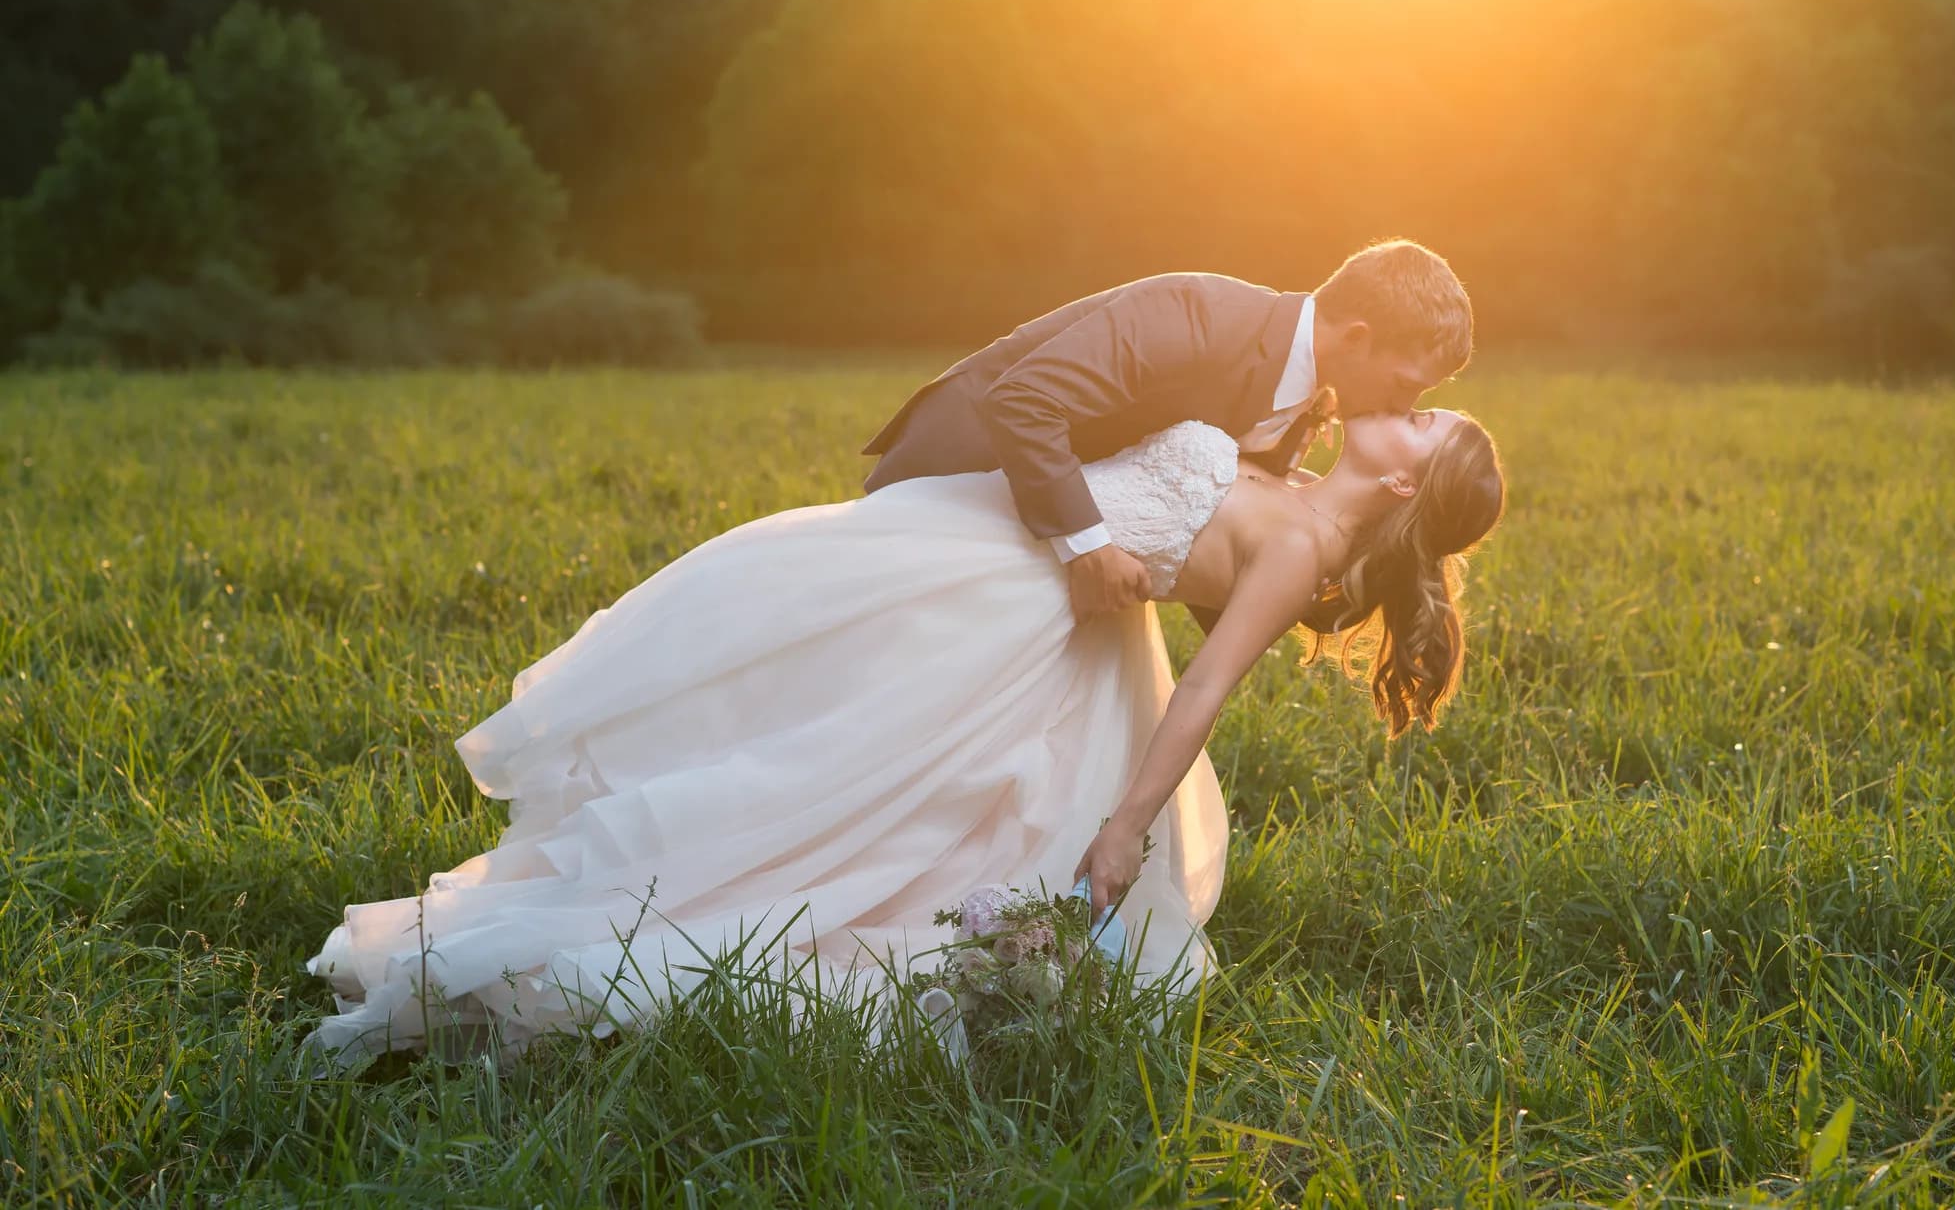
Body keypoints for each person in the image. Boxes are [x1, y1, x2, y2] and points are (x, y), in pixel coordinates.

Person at [304, 403, 1504, 1069]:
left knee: (847, 808)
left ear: (1404, 488)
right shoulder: (1286, 479)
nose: (1406, 406)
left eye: (1426, 423)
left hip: (1020, 624)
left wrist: (1123, 828)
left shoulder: (1301, 550)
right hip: (986, 561)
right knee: (793, 708)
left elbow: (1201, 694)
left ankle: (642, 957)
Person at [862, 239, 1475, 634]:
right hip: (955, 485)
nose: (1405, 407)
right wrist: (1089, 549)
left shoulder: (1305, 400)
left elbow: (1200, 526)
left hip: (1044, 543)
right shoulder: (1196, 316)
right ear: (1357, 338)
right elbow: (1023, 402)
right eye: (1405, 386)